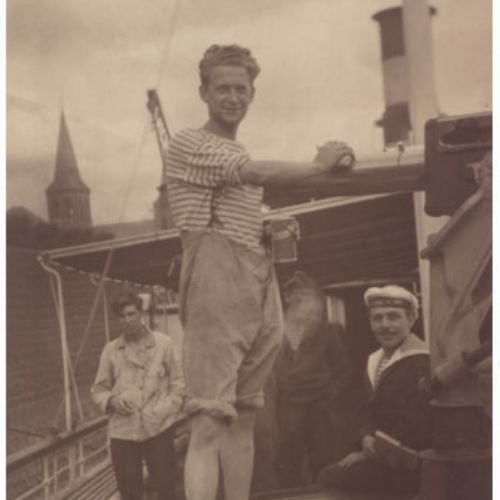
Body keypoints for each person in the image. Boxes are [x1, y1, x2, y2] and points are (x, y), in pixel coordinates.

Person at [164, 44, 355, 500]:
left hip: (255, 282)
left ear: (252, 94)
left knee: (244, 416)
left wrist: (267, 229)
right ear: (203, 92)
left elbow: (245, 197)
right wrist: (318, 165)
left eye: (241, 89)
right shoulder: (190, 143)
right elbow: (255, 173)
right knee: (208, 419)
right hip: (214, 279)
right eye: (222, 88)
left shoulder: (235, 148)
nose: (233, 97)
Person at [318, 285, 432, 496]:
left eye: (393, 317)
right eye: (377, 318)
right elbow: (367, 409)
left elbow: (415, 423)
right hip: (380, 454)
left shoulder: (422, 361)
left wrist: (369, 454)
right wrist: (364, 437)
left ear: (411, 319)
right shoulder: (375, 359)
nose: (384, 325)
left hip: (407, 462)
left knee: (331, 478)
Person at [91, 291, 184, 500]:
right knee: (129, 492)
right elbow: (98, 390)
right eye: (122, 316)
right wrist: (112, 401)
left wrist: (162, 412)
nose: (127, 320)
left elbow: (179, 386)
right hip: (123, 432)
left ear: (141, 313)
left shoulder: (164, 344)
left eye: (131, 314)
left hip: (158, 429)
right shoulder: (111, 350)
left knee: (167, 489)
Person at [275, 271, 351, 487]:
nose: (303, 304)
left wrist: (327, 397)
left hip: (320, 406)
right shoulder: (276, 330)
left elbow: (344, 371)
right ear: (287, 298)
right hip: (288, 407)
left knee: (324, 459)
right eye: (297, 298)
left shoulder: (327, 330)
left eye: (307, 298)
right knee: (287, 461)